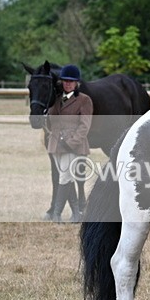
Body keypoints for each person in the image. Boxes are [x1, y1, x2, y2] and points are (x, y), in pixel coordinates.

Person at [46, 64, 93, 222]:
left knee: (64, 178)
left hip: (74, 145)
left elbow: (85, 126)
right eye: (65, 81)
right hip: (56, 144)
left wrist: (71, 143)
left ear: (77, 83)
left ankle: (57, 214)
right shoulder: (57, 99)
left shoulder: (84, 100)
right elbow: (51, 120)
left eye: (71, 81)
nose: (68, 83)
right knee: (67, 178)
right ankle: (77, 214)